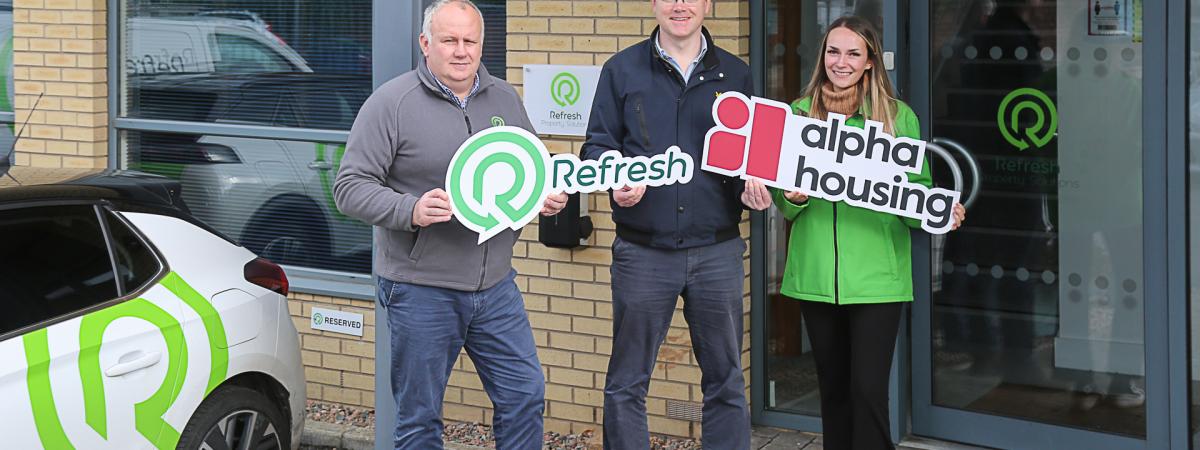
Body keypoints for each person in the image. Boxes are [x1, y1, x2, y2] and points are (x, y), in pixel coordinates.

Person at [333, 1, 566, 448]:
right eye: (449, 40)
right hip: (422, 288)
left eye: (470, 41)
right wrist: (411, 209)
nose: (461, 51)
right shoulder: (391, 103)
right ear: (426, 44)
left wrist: (545, 197)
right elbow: (349, 187)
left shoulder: (504, 98)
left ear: (482, 44)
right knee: (419, 419)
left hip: (496, 286)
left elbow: (530, 169)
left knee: (525, 394)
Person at [580, 1, 771, 448]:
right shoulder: (621, 69)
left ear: (707, 5)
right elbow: (597, 146)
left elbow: (754, 154)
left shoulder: (736, 74)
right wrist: (615, 177)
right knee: (627, 381)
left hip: (717, 250)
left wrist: (754, 183)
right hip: (643, 253)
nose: (680, 5)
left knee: (726, 380)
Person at [771, 16, 965, 450]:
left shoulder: (898, 119)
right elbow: (784, 205)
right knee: (834, 392)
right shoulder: (798, 116)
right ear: (822, 57)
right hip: (815, 277)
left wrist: (938, 211)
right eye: (833, 51)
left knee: (868, 392)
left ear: (871, 62)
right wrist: (795, 197)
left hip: (878, 282)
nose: (841, 62)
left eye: (853, 53)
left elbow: (917, 195)